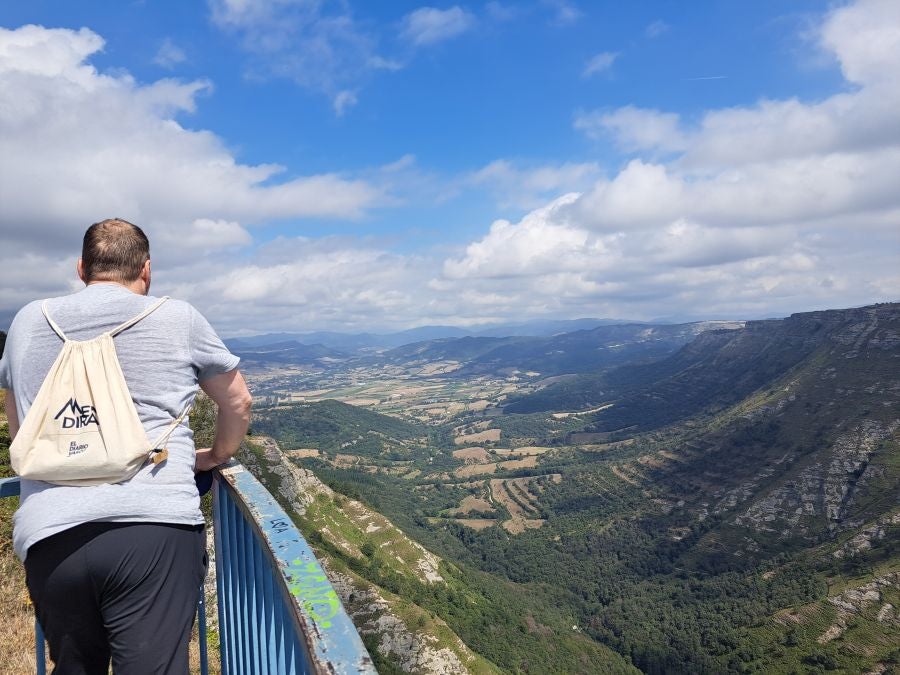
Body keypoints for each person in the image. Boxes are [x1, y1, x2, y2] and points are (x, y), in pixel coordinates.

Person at [0, 218, 252, 674]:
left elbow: (18, 420)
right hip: (155, 526)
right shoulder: (177, 317)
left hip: (51, 531)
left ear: (82, 269)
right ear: (147, 270)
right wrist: (216, 457)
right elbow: (238, 401)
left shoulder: (26, 320)